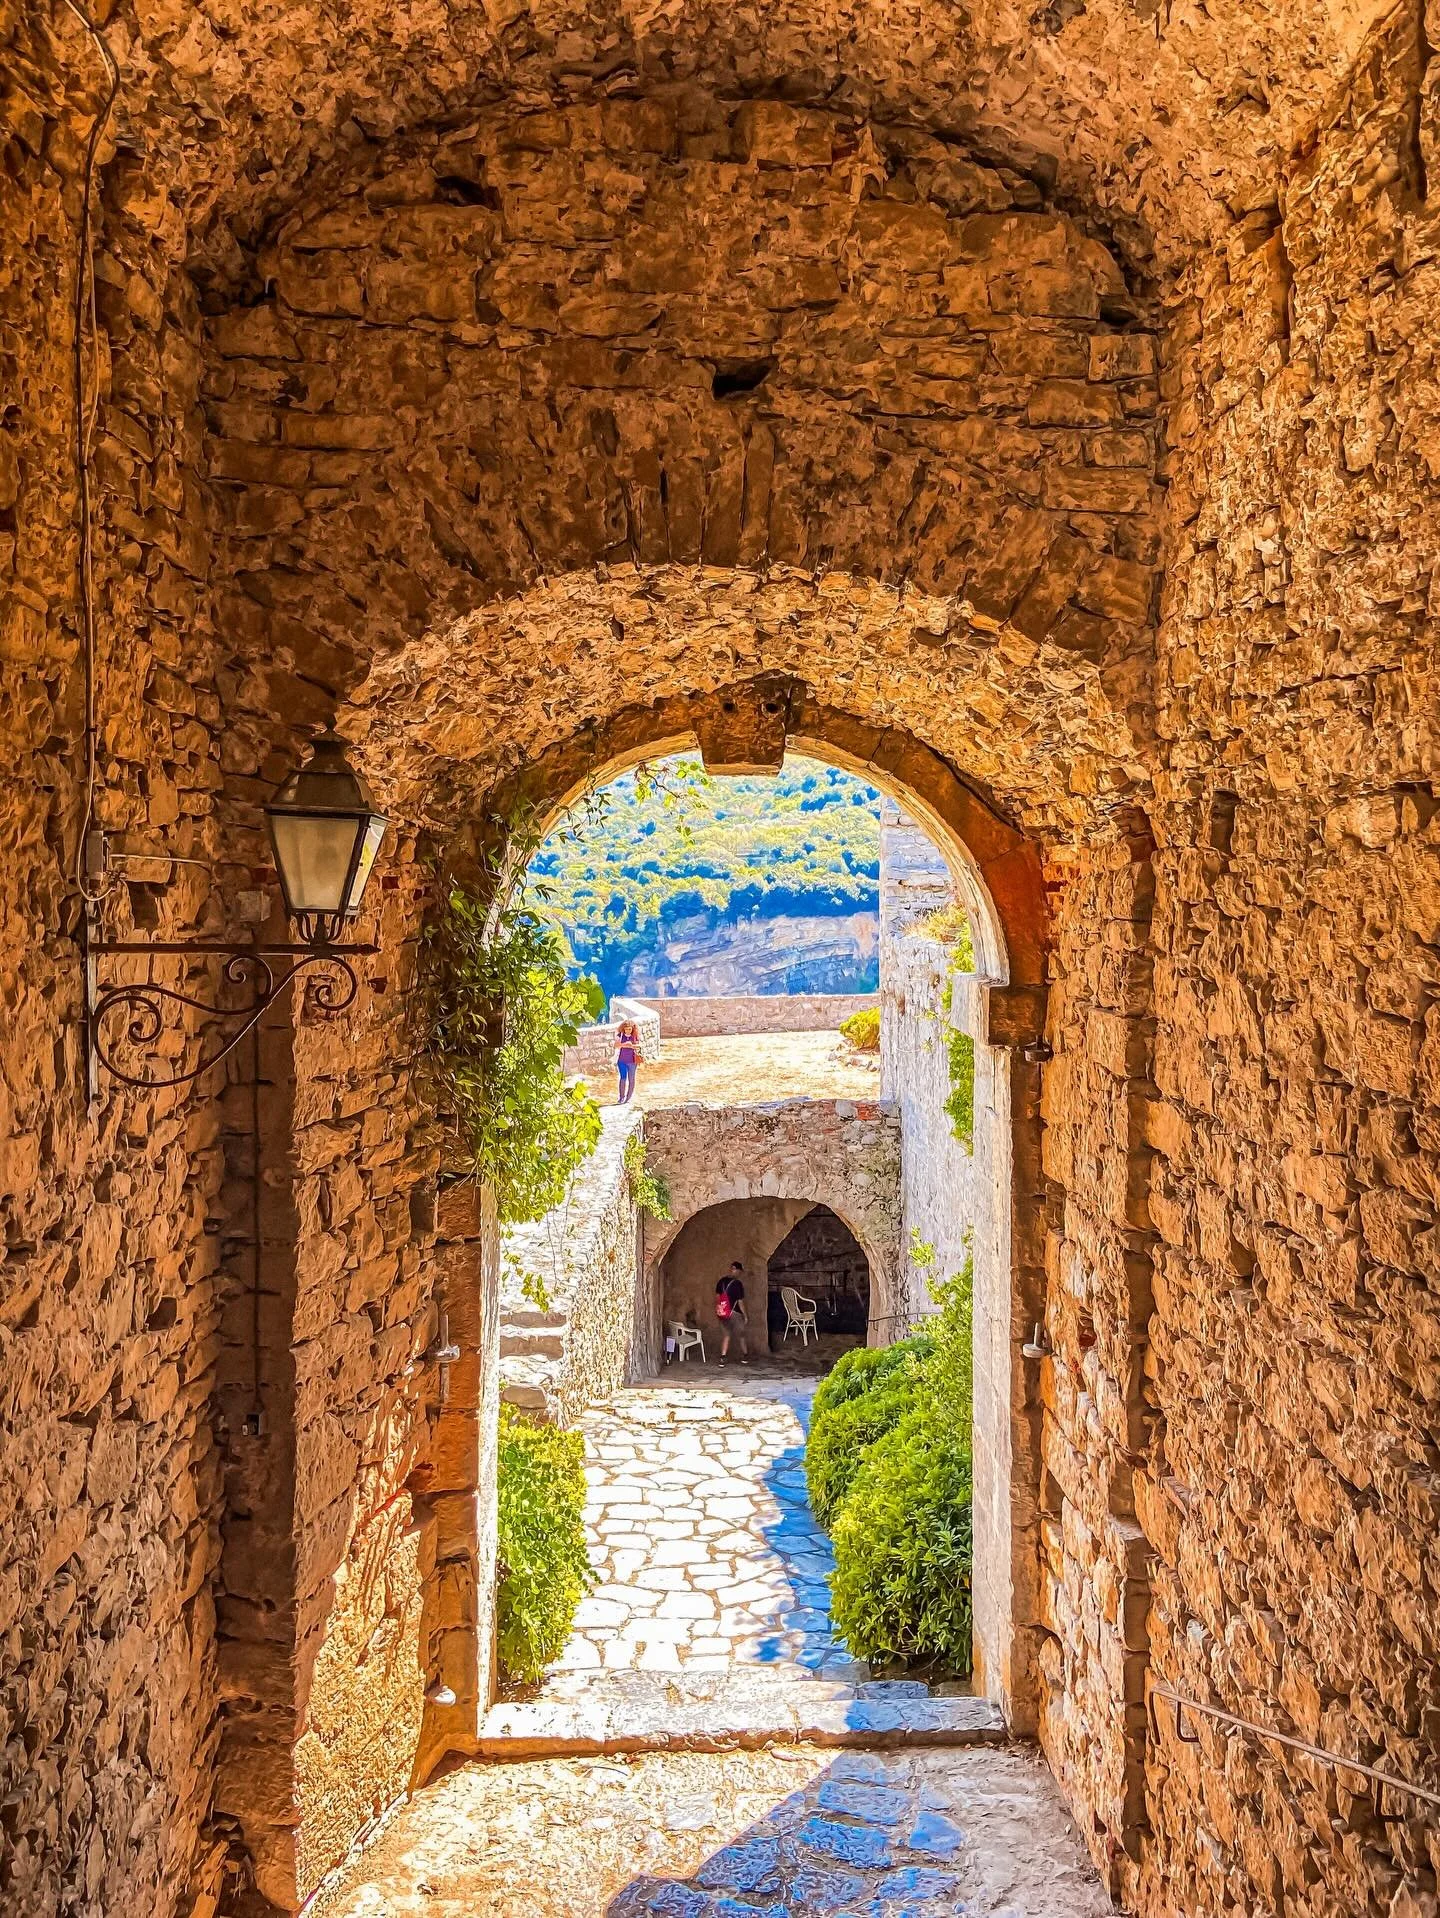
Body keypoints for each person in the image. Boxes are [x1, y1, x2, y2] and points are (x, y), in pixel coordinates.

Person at [715, 1261, 749, 1363]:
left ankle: (723, 1357)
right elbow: (740, 1302)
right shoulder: (738, 1284)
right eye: (739, 1271)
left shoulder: (721, 1281)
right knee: (741, 1334)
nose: (739, 1274)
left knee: (726, 1335)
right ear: (736, 1270)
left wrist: (721, 1307)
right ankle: (745, 1356)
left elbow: (717, 1297)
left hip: (722, 1312)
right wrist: (745, 1315)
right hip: (734, 1313)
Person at [615, 1019, 641, 1105]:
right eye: (626, 1029)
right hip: (622, 1060)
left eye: (630, 1029)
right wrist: (625, 1044)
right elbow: (616, 1045)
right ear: (623, 1028)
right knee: (623, 1078)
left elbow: (639, 1046)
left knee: (631, 1079)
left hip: (632, 1061)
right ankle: (621, 1097)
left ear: (633, 1029)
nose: (628, 1031)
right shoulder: (620, 1035)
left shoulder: (635, 1036)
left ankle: (628, 1097)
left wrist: (632, 1046)